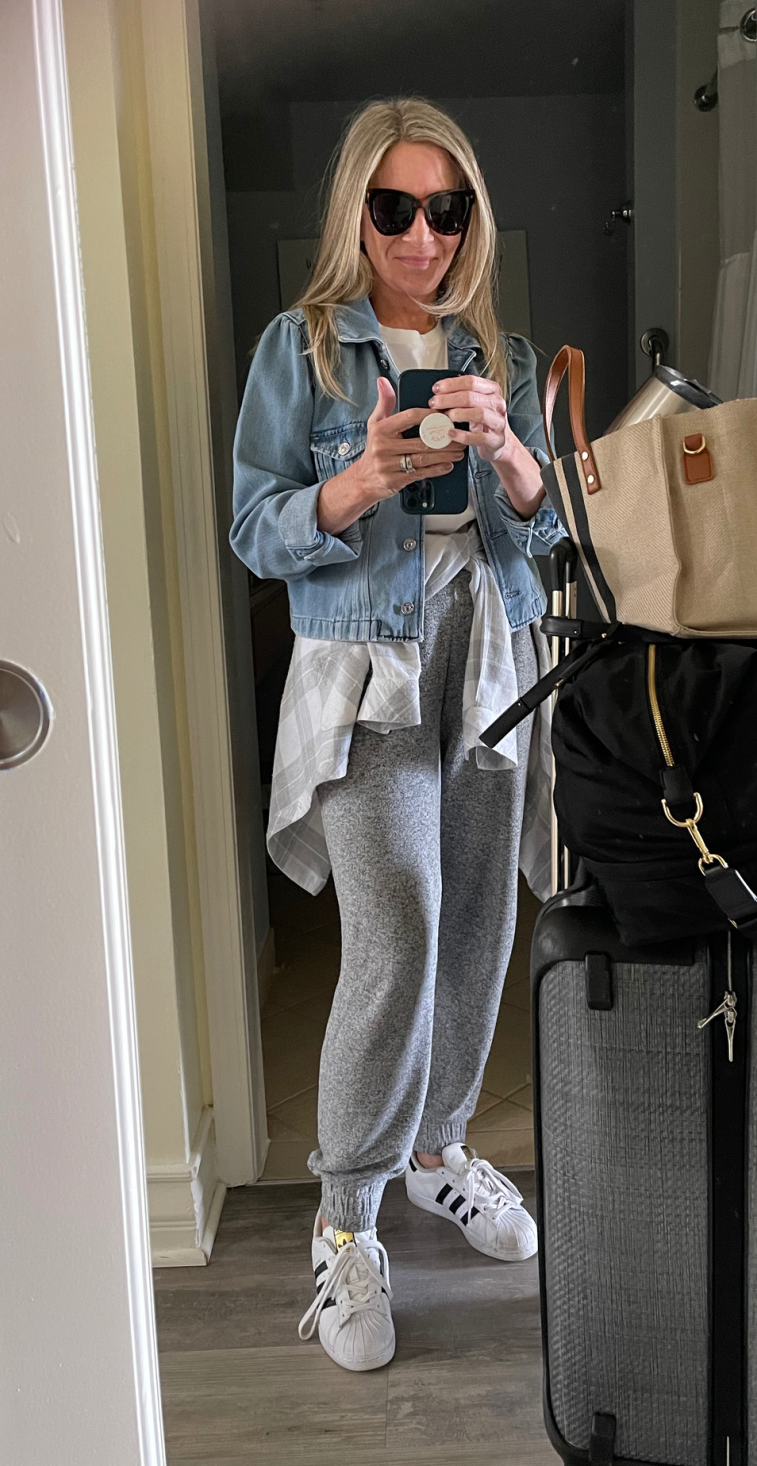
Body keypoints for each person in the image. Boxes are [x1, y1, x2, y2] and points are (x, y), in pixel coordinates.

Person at [229, 97, 563, 1372]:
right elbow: (257, 527)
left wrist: (520, 471)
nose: (421, 234)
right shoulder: (301, 347)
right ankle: (345, 1214)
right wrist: (363, 476)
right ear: (356, 215)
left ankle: (438, 1150)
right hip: (366, 665)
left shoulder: (500, 351)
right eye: (394, 208)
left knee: (479, 915)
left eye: (448, 209)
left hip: (487, 653)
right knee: (402, 918)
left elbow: (540, 536)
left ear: (471, 219)